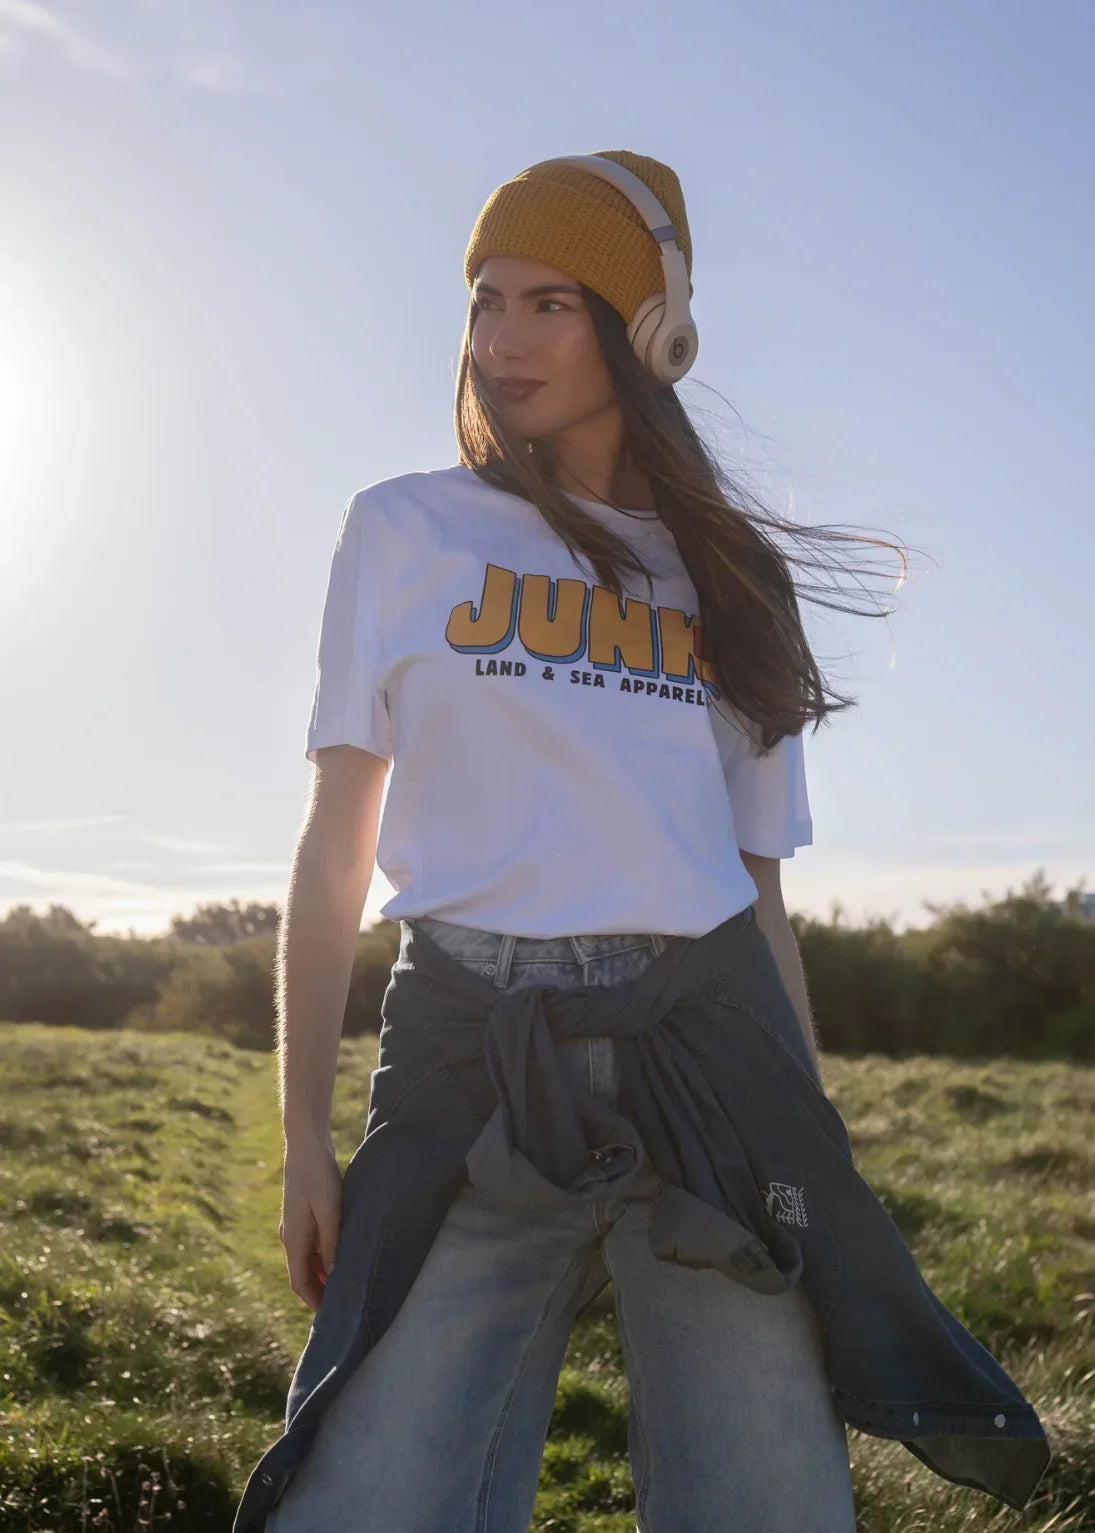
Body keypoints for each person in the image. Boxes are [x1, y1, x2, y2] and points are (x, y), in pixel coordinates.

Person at [235, 152, 1038, 1533]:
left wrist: (816, 1134)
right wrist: (304, 1129)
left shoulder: (729, 577)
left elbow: (760, 893)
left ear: (647, 331)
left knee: (769, 1510)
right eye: (487, 300)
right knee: (361, 1503)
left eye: (553, 300)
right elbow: (335, 843)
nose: (504, 337)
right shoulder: (406, 529)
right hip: (471, 1064)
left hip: (709, 1067)